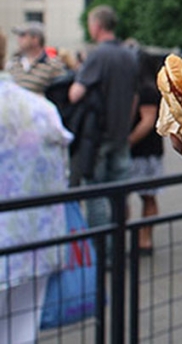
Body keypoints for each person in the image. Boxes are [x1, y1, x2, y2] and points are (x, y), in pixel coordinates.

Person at [1, 28, 72, 344]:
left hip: (23, 239)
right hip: (37, 240)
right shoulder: (41, 108)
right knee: (21, 331)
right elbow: (63, 172)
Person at [68, 5, 139, 235]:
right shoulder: (129, 55)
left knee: (95, 195)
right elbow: (134, 97)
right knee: (119, 196)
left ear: (97, 26)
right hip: (121, 135)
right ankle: (118, 247)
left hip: (98, 136)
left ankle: (102, 252)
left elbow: (75, 93)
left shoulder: (98, 55)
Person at [128, 50, 165, 254]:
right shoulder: (152, 88)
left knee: (146, 196)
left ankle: (144, 240)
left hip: (143, 150)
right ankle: (144, 238)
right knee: (148, 197)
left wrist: (128, 141)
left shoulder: (146, 90)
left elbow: (148, 121)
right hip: (150, 149)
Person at [5, 21, 67, 95]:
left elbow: (60, 91)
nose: (19, 39)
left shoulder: (53, 65)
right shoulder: (13, 63)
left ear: (35, 39)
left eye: (23, 35)